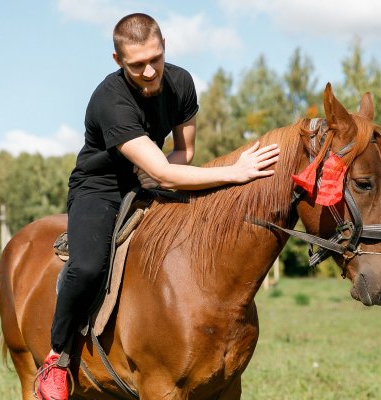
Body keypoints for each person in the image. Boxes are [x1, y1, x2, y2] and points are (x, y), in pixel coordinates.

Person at [35, 13, 281, 400]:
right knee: (86, 266)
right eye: (136, 65)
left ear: (164, 44)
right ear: (118, 61)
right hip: (101, 189)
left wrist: (166, 175)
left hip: (156, 175)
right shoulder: (109, 101)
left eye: (156, 58)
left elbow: (183, 151)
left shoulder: (181, 82)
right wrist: (236, 172)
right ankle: (57, 357)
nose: (150, 72)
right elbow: (166, 172)